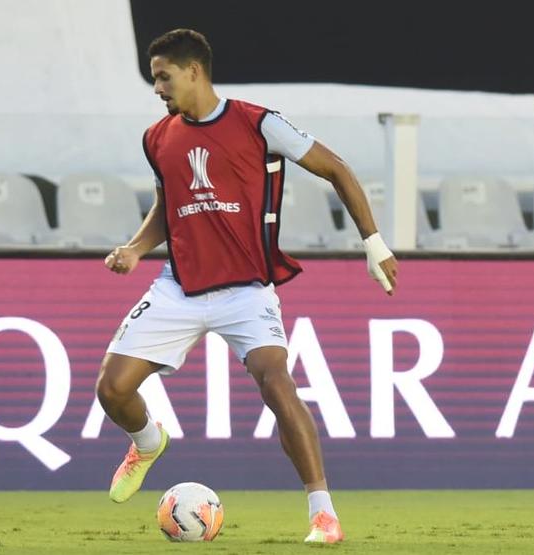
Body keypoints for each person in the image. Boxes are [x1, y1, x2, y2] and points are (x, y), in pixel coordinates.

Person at [96, 29, 397, 544]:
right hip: (180, 286)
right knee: (112, 389)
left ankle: (322, 512)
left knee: (277, 384)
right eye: (153, 79)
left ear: (194, 72)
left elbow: (338, 170)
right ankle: (147, 443)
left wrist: (374, 243)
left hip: (247, 290)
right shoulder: (157, 138)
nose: (157, 89)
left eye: (163, 77)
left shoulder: (259, 124)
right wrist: (134, 248)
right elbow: (169, 208)